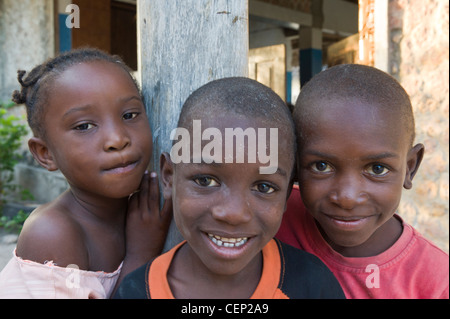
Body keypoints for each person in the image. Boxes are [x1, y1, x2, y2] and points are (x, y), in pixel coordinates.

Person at [113, 77, 345, 299]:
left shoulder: (313, 286)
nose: (233, 214)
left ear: (285, 195)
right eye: (205, 181)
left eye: (264, 187)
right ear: (169, 177)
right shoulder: (135, 292)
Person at [0, 48, 171, 299]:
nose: (117, 139)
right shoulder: (52, 233)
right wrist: (141, 255)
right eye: (84, 126)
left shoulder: (140, 212)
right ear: (45, 153)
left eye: (129, 115)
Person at [276, 64, 449, 299]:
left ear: (410, 168)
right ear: (295, 164)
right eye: (321, 166)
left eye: (377, 169)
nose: (347, 197)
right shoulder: (270, 215)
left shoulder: (436, 282)